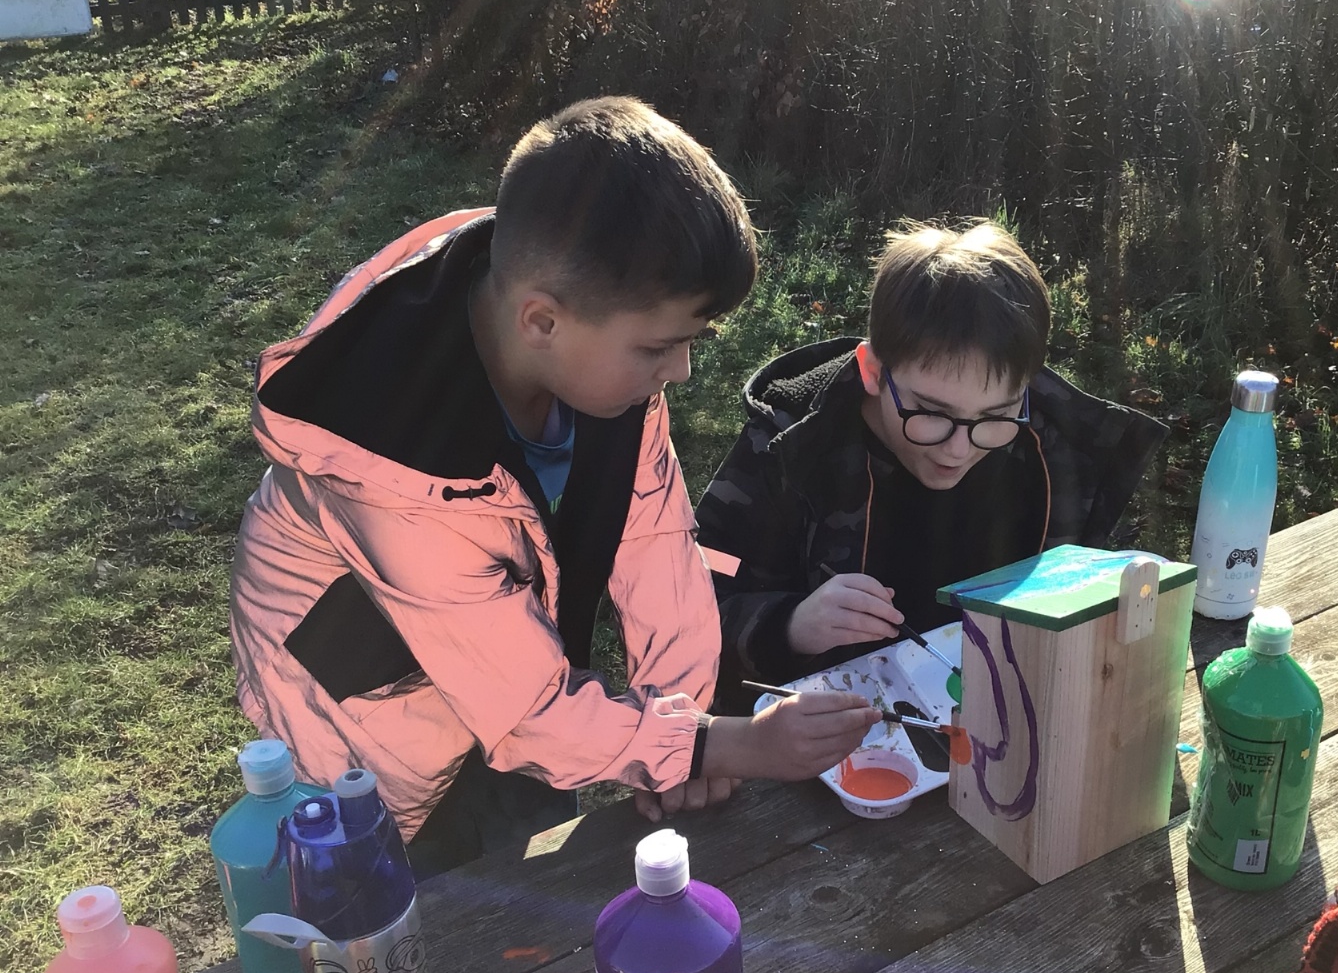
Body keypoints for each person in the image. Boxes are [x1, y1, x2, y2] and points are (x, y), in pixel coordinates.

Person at [228, 97, 877, 877]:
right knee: (404, 897)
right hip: (366, 719)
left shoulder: (600, 354)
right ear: (541, 322)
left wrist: (683, 734)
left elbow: (656, 550)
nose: (679, 371)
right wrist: (726, 745)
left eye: (689, 342)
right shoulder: (391, 467)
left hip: (516, 671)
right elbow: (528, 718)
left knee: (531, 872)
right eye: (660, 347)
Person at [696, 221, 1168, 711]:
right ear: (872, 371)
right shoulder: (787, 449)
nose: (958, 450)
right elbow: (691, 602)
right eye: (931, 413)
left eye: (995, 416)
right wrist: (791, 626)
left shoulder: (1061, 452)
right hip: (819, 735)